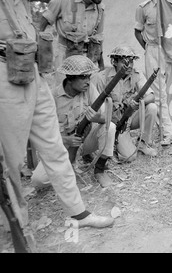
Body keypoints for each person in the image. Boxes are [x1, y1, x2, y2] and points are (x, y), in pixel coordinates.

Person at [0, 0, 114, 235]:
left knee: (54, 147)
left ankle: (79, 211)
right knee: (11, 156)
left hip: (40, 75)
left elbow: (96, 44)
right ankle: (16, 222)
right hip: (15, 75)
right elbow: (42, 26)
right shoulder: (62, 0)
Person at [31, 56, 116, 188]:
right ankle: (66, 168)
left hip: (85, 141)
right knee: (39, 181)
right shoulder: (52, 97)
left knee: (110, 127)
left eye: (89, 77)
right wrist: (65, 140)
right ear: (70, 78)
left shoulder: (89, 89)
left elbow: (106, 117)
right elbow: (42, 132)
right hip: (61, 147)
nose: (88, 81)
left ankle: (99, 170)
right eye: (83, 77)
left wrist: (96, 118)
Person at [39, 0, 114, 87]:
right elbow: (41, 26)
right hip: (65, 55)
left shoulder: (100, 9)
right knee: (63, 92)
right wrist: (39, 58)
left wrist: (101, 67)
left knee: (88, 96)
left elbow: (99, 40)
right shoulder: (63, 0)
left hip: (88, 58)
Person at [90, 46, 158, 161]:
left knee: (152, 107)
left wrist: (138, 102)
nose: (129, 65)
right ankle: (108, 144)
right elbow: (92, 105)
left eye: (131, 61)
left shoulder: (136, 74)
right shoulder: (101, 78)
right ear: (114, 62)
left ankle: (143, 143)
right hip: (108, 122)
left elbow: (151, 96)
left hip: (127, 120)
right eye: (124, 61)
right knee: (128, 157)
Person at [134, 0, 172, 146]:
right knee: (158, 94)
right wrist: (148, 49)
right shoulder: (144, 8)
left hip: (167, 51)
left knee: (165, 92)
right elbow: (137, 31)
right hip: (151, 49)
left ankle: (162, 129)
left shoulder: (170, 8)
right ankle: (167, 132)